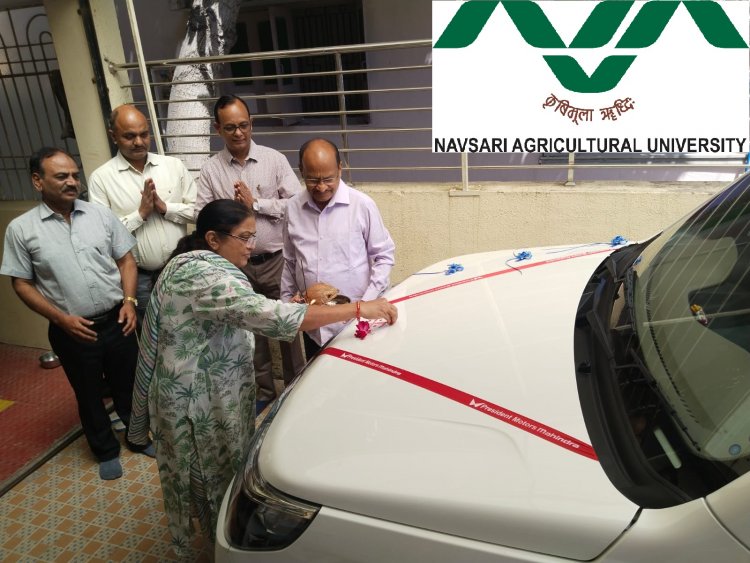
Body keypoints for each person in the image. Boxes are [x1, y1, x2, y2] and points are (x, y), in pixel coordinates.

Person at [127, 199, 397, 556]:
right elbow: (266, 315)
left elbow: (244, 310)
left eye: (253, 237)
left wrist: (300, 303)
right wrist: (361, 308)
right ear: (212, 239)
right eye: (245, 237)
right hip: (196, 403)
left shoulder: (202, 268)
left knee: (227, 473)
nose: (252, 246)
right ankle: (221, 549)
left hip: (214, 395)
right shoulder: (201, 275)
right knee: (212, 480)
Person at [0, 147, 154, 480]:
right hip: (72, 329)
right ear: (38, 181)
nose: (73, 182)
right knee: (87, 392)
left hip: (118, 319)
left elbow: (126, 260)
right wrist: (60, 319)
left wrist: (129, 301)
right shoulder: (22, 229)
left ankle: (138, 436)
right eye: (62, 176)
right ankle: (105, 450)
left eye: (74, 175)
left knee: (129, 383)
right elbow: (21, 283)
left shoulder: (100, 215)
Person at [196, 94, 303, 412]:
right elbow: (203, 217)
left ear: (251, 123)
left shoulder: (274, 160)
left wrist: (255, 205)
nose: (239, 133)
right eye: (230, 128)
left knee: (287, 326)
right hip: (235, 269)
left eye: (244, 125)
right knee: (250, 331)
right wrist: (232, 213)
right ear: (218, 129)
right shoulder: (211, 170)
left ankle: (296, 390)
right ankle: (265, 391)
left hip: (275, 262)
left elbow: (297, 205)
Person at [281, 138, 396, 357]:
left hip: (355, 321)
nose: (321, 187)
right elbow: (290, 260)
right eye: (313, 179)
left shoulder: (361, 205)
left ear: (340, 169)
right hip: (314, 324)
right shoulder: (293, 207)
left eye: (328, 179)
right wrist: (287, 302)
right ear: (301, 171)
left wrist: (366, 304)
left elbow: (384, 256)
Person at [88, 104, 196, 325]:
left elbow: (199, 212)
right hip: (141, 278)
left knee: (193, 330)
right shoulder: (101, 178)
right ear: (114, 136)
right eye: (129, 136)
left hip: (184, 269)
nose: (139, 142)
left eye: (144, 134)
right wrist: (140, 214)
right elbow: (100, 236)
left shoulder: (173, 166)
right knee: (154, 338)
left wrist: (166, 208)